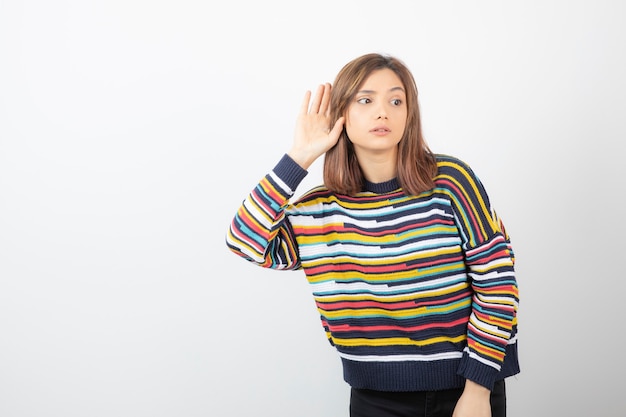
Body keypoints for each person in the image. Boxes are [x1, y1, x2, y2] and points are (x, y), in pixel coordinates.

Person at [225, 53, 519, 417]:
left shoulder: (449, 181)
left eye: (396, 101)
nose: (383, 112)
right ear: (341, 115)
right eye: (366, 100)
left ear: (409, 115)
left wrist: (477, 392)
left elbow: (498, 283)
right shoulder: (317, 211)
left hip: (466, 389)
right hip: (374, 398)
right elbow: (244, 240)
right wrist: (299, 156)